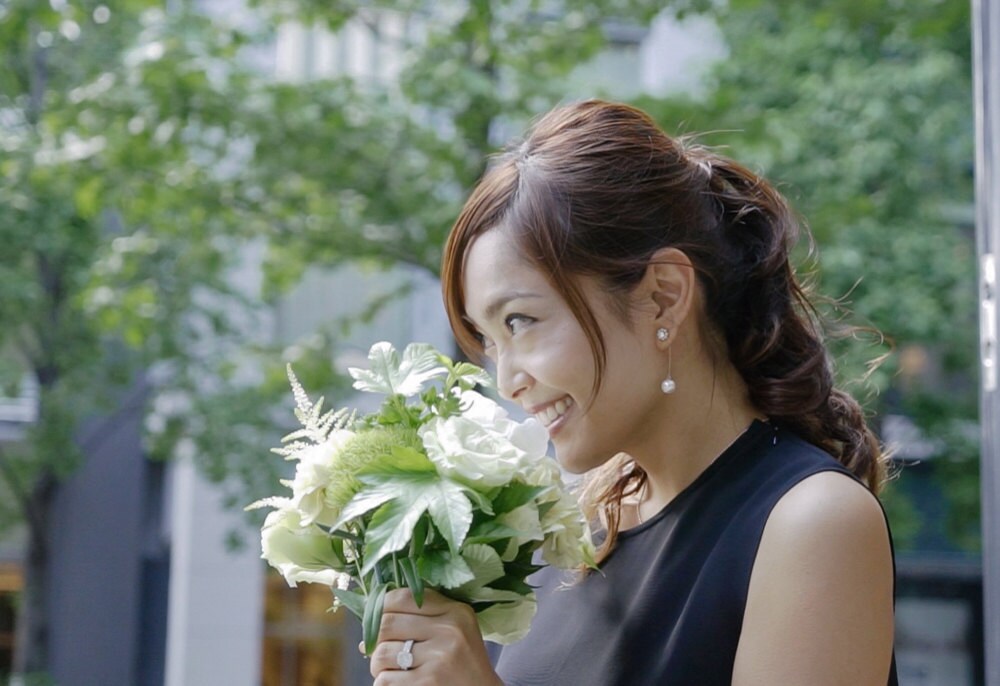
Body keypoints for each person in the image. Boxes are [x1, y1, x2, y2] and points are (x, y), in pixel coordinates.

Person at [366, 99, 899, 685]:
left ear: (663, 295)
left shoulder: (813, 523)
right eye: (489, 342)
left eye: (520, 321)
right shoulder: (572, 533)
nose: (508, 380)